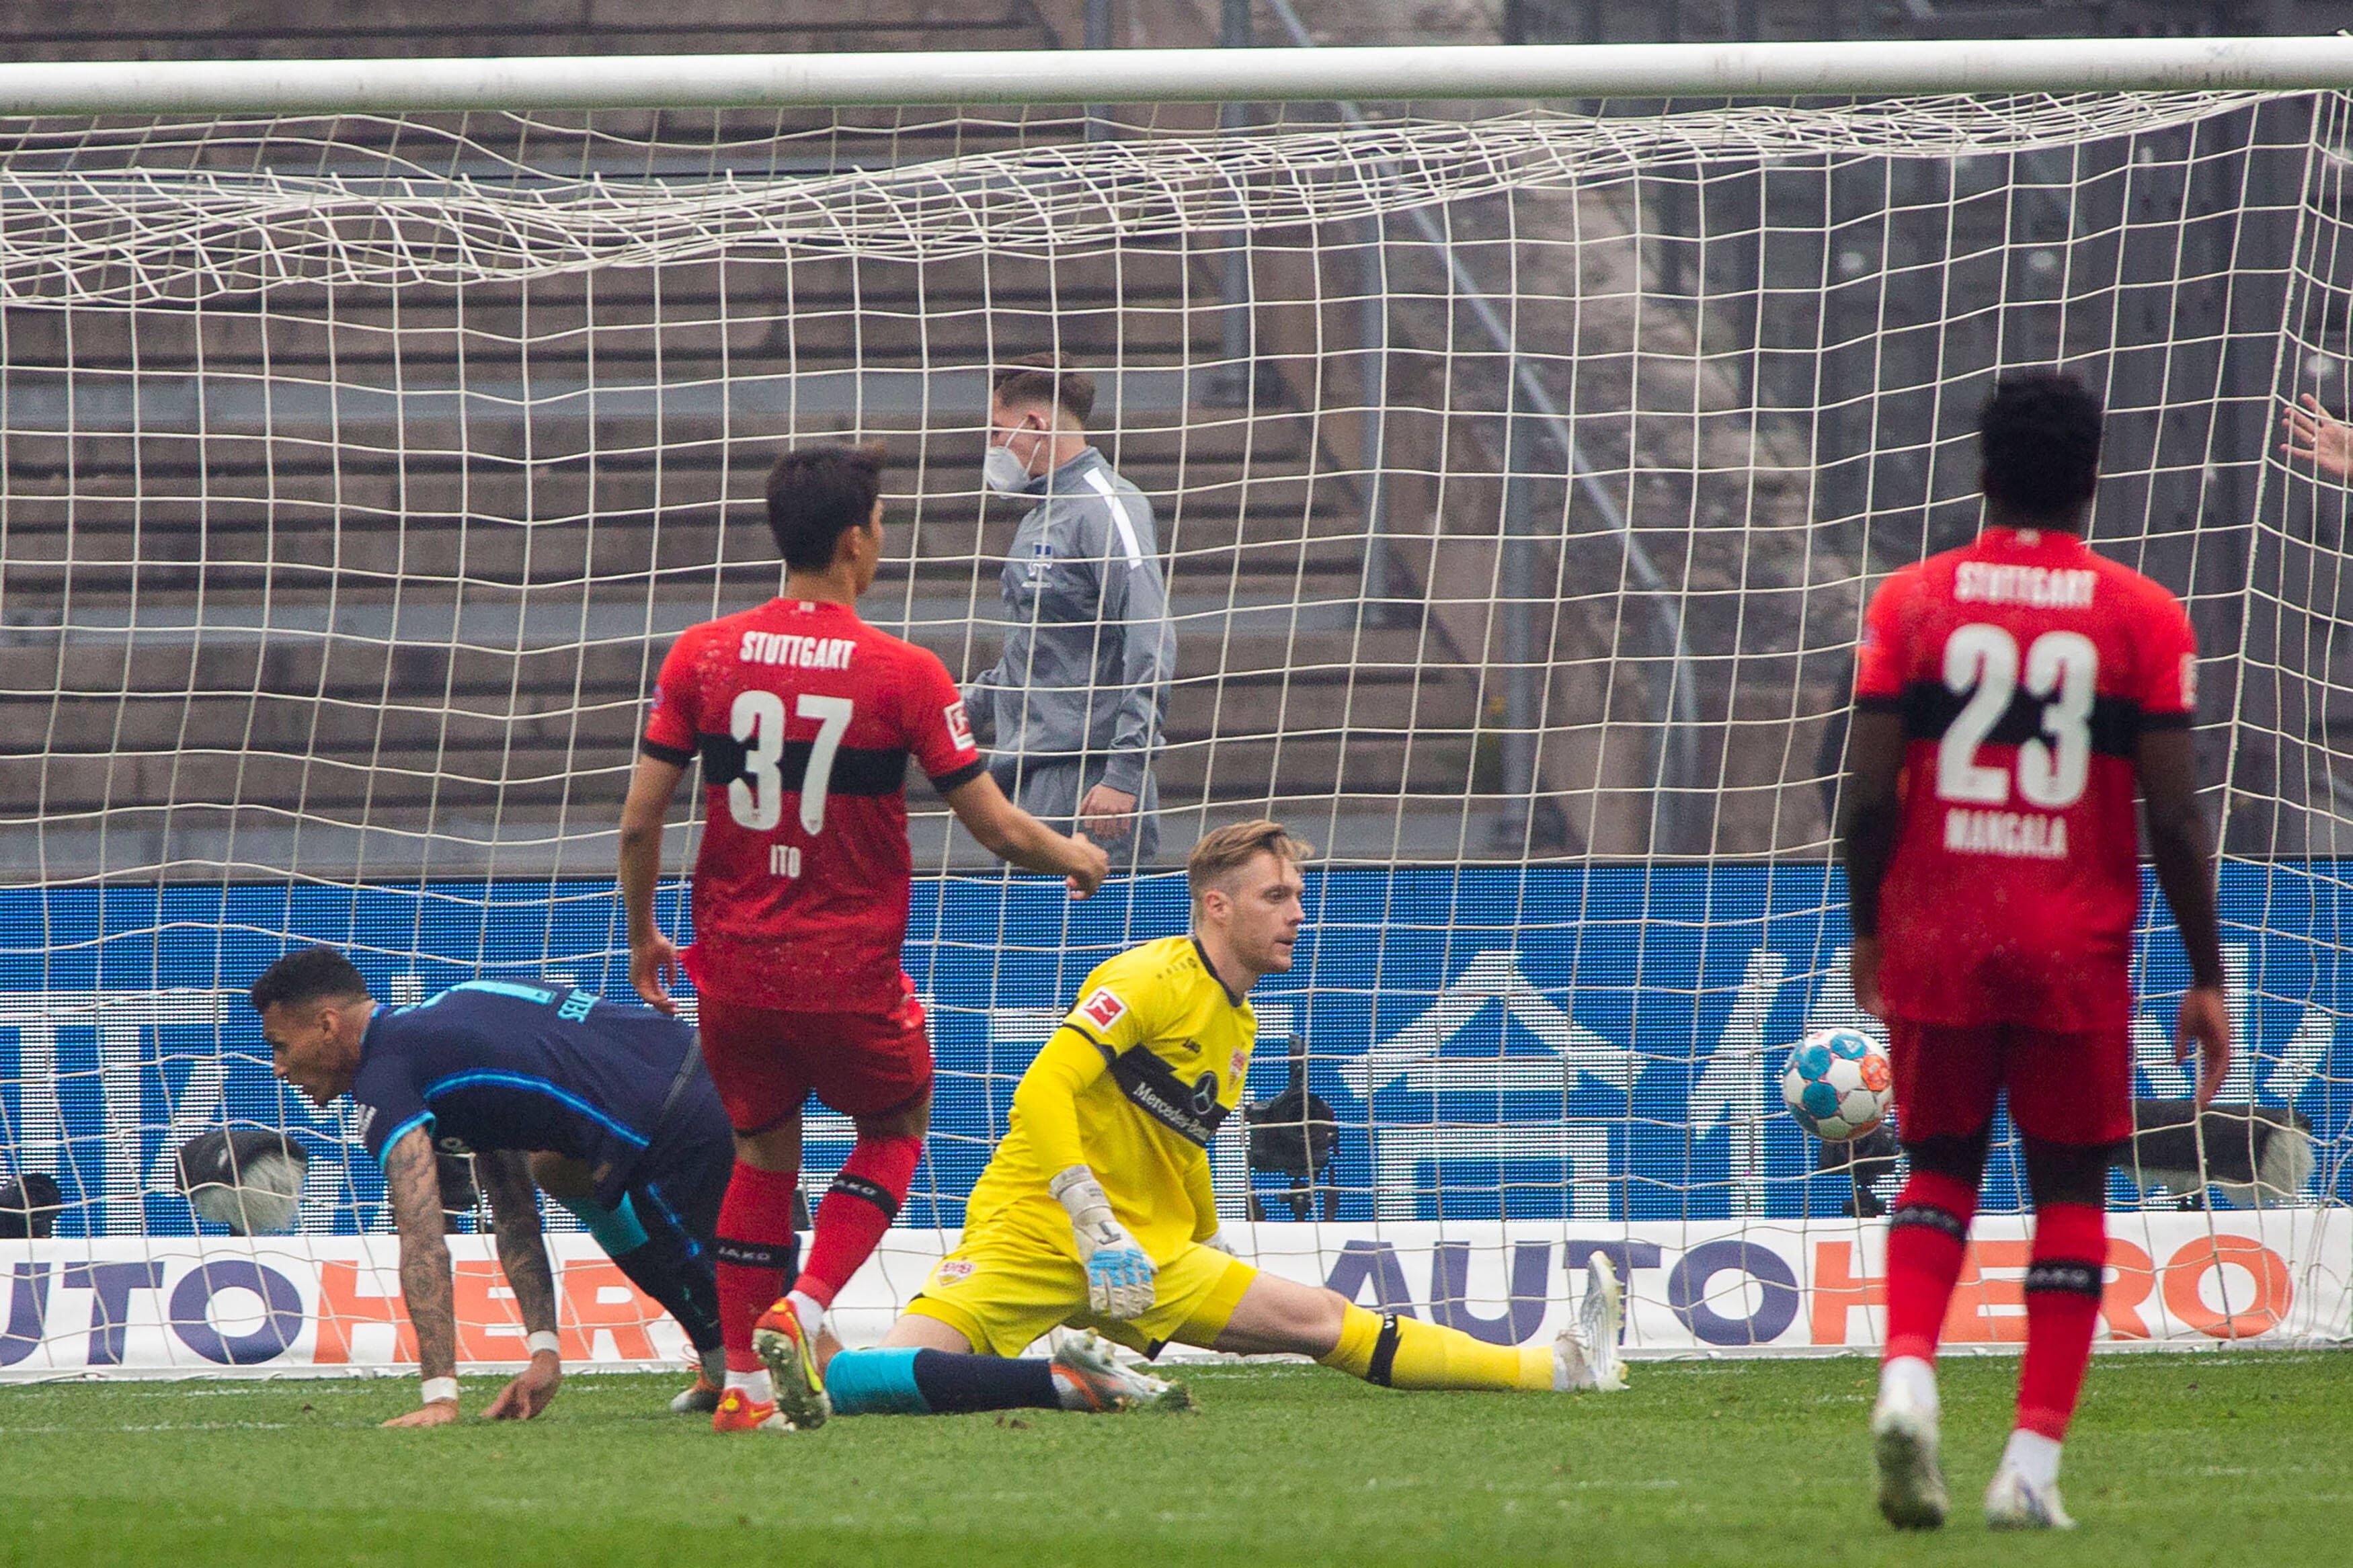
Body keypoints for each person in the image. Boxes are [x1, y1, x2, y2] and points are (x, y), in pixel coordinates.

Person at [813, 820, 1628, 1422]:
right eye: (1276, 896)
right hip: (1033, 1230)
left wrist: (1202, 1239)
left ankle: (1556, 1366)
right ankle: (1049, 1380)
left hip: (1151, 1254)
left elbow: (1186, 1140)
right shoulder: (1145, 976)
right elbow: (1040, 1092)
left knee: (1317, 1319)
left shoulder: (1237, 1021)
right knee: (863, 1379)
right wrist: (1087, 1212)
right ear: (1216, 904)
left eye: (1298, 896)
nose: (1296, 914)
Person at [621, 442, 1109, 1434]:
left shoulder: (701, 654)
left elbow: (639, 822)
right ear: (855, 540)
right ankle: (800, 1312)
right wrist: (1076, 856)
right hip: (849, 970)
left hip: (736, 965)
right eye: (881, 524)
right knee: (896, 1127)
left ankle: (744, 1396)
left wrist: (641, 939)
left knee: (761, 1156)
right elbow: (995, 826)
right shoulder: (905, 674)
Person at [1842, 371, 2232, 1531]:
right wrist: (2205, 970)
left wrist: (1871, 921)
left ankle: (1909, 1371)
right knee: (2069, 1190)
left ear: (1982, 472)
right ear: (2094, 479)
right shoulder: (2145, 614)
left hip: (1939, 928)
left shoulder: (1912, 600)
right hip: (2074, 941)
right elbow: (2173, 814)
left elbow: (1864, 793)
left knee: (1938, 1167)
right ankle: (2029, 1467)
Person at [249, 946, 735, 1426]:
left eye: (280, 1045)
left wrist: (440, 1395)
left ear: (328, 1026)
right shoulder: (447, 1032)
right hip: (695, 1063)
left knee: (765, 1316)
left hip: (676, 1118)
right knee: (557, 1168)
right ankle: (719, 1365)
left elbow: (423, 1237)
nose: (279, 1068)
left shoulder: (385, 1082)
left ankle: (785, 1364)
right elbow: (515, 1212)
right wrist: (545, 1353)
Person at [964, 356, 1176, 866]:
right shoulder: (1039, 517)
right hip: (1021, 781)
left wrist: (1124, 772)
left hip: (1088, 786)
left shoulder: (1109, 506)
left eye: (997, 432)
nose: (993, 447)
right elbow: (1035, 653)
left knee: (1094, 946)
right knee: (1018, 944)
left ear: (1036, 425)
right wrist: (953, 710)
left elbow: (1152, 637)